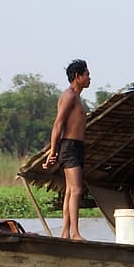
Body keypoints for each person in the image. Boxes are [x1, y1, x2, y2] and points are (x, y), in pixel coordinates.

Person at [43, 59, 91, 240]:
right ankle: (75, 233)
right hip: (68, 146)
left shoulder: (77, 97)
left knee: (71, 190)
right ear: (77, 76)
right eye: (86, 74)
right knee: (77, 189)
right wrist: (53, 151)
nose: (89, 78)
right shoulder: (69, 96)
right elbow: (58, 124)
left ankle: (65, 232)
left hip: (77, 146)